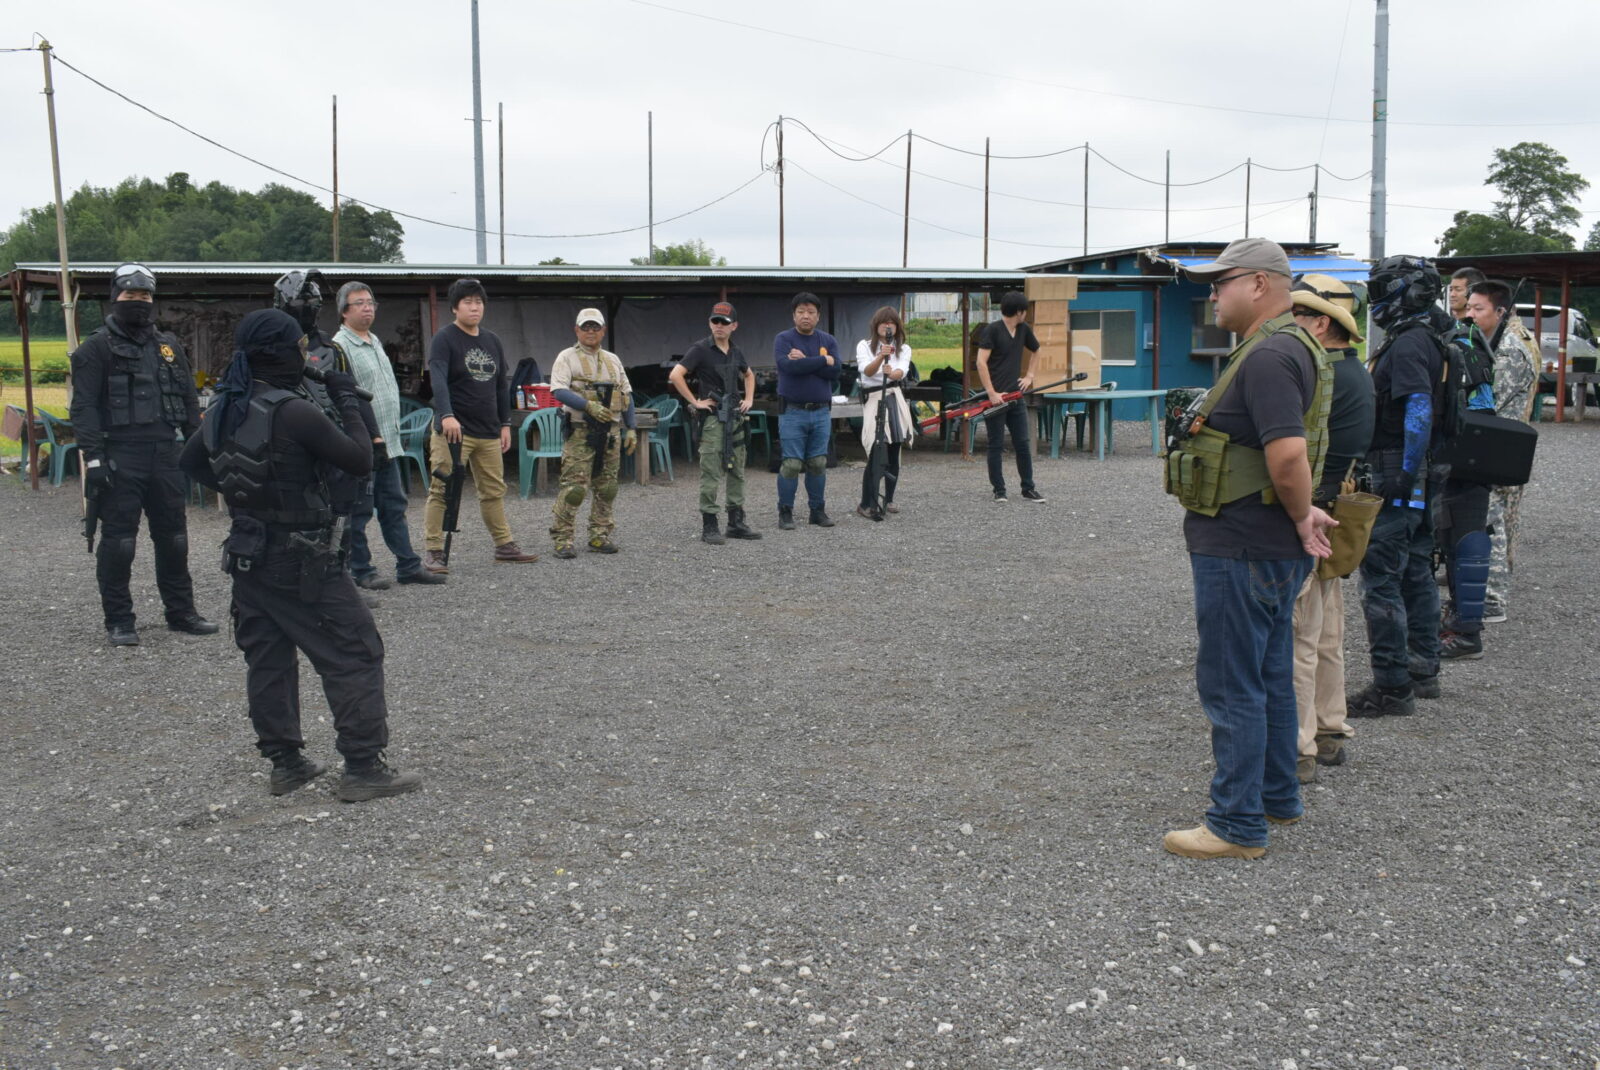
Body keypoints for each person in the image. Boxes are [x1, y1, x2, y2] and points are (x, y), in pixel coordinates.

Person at [180, 309, 421, 801]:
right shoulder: (293, 410)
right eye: (298, 347)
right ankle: (362, 767)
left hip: (248, 551)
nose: (304, 354)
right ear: (280, 353)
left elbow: (190, 460)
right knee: (354, 651)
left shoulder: (227, 403)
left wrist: (249, 494)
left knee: (268, 657)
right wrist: (347, 400)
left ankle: (285, 764)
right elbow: (359, 460)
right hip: (301, 556)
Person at [1161, 238, 1336, 860]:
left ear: (1260, 284)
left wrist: (1301, 514)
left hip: (1241, 545)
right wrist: (1301, 514)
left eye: (1221, 282)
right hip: (1265, 542)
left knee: (1232, 682)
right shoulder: (1292, 347)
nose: (1213, 294)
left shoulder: (1268, 356)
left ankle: (1235, 824)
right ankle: (1276, 796)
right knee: (1268, 674)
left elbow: (1287, 455)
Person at [69, 262, 217, 646]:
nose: (139, 301)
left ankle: (181, 613)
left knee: (174, 539)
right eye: (130, 294)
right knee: (119, 543)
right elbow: (83, 407)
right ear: (115, 298)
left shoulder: (168, 347)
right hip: (121, 455)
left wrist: (200, 447)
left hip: (166, 453)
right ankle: (120, 621)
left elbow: (187, 400)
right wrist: (93, 457)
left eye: (145, 295)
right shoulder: (95, 348)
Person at [1349, 255, 1449, 719]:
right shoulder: (1426, 337)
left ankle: (1392, 687)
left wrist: (1402, 477)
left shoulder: (1408, 343)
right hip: (1416, 473)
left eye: (1381, 290)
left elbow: (1418, 409)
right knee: (1415, 573)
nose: (1375, 300)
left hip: (1397, 472)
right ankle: (1422, 671)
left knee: (1382, 580)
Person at [1286, 275, 1373, 781]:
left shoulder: (1321, 374)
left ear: (1321, 323)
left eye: (1296, 315)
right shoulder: (1355, 371)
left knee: (1299, 636)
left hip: (1311, 511)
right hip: (1336, 506)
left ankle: (1298, 748)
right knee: (1326, 631)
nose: (1287, 326)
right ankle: (1328, 728)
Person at [333, 281, 444, 588]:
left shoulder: (374, 340)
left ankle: (408, 566)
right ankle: (361, 570)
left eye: (371, 302)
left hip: (389, 444)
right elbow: (347, 399)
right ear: (344, 311)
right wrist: (371, 439)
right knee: (359, 511)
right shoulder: (339, 347)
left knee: (394, 506)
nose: (368, 308)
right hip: (362, 445)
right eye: (359, 303)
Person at [421, 278, 537, 571]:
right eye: (468, 302)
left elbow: (500, 385)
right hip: (454, 430)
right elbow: (437, 379)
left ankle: (504, 545)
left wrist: (505, 423)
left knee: (494, 490)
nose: (474, 307)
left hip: (488, 430)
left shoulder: (492, 340)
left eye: (479, 302)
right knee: (442, 488)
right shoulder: (444, 338)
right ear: (455, 307)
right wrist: (446, 415)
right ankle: (434, 550)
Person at [1464, 279, 1540, 625]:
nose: (1470, 314)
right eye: (1469, 307)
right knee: (1492, 519)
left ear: (1500, 311)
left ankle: (1492, 598)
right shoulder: (1493, 340)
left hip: (1499, 447)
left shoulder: (1509, 349)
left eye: (1478, 308)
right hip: (1497, 444)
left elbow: (1492, 403)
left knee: (1491, 521)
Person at [669, 301, 761, 544]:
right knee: (711, 472)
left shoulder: (736, 351)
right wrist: (695, 401)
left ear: (734, 326)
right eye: (715, 321)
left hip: (735, 418)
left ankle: (736, 522)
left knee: (737, 470)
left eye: (724, 322)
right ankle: (709, 525)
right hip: (712, 419)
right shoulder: (700, 349)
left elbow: (749, 374)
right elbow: (675, 375)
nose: (719, 325)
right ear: (710, 323)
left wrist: (749, 399)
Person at [549, 308, 638, 557]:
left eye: (595, 327)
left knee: (607, 487)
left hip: (611, 434)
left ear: (603, 331)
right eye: (585, 327)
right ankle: (563, 538)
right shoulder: (566, 357)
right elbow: (558, 390)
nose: (590, 331)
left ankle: (599, 535)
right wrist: (587, 405)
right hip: (581, 432)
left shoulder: (613, 360)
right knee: (574, 489)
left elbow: (627, 394)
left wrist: (631, 428)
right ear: (576, 330)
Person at [772, 292, 842, 529]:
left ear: (818, 316)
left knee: (818, 462)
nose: (806, 316)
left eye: (811, 312)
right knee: (792, 464)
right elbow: (788, 367)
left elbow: (836, 371)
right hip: (792, 411)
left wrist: (805, 360)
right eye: (801, 312)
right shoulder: (783, 339)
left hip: (821, 412)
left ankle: (817, 511)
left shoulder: (828, 340)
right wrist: (823, 361)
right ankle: (785, 512)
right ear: (794, 315)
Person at [975, 292, 1044, 503]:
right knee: (995, 444)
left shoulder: (1023, 330)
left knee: (1022, 442)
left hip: (1016, 396)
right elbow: (980, 362)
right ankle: (999, 490)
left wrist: (1029, 376)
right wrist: (991, 393)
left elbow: (1037, 350)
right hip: (995, 399)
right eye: (1025, 311)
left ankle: (1028, 488)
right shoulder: (992, 330)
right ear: (1019, 312)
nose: (1026, 315)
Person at [855, 305, 915, 519]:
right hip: (873, 397)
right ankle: (867, 502)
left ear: (897, 326)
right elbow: (867, 370)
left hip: (894, 396)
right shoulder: (864, 345)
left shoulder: (903, 348)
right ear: (876, 325)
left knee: (895, 448)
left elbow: (902, 371)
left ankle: (889, 498)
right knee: (876, 448)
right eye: (883, 322)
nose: (887, 326)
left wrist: (893, 373)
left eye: (891, 323)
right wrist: (881, 356)